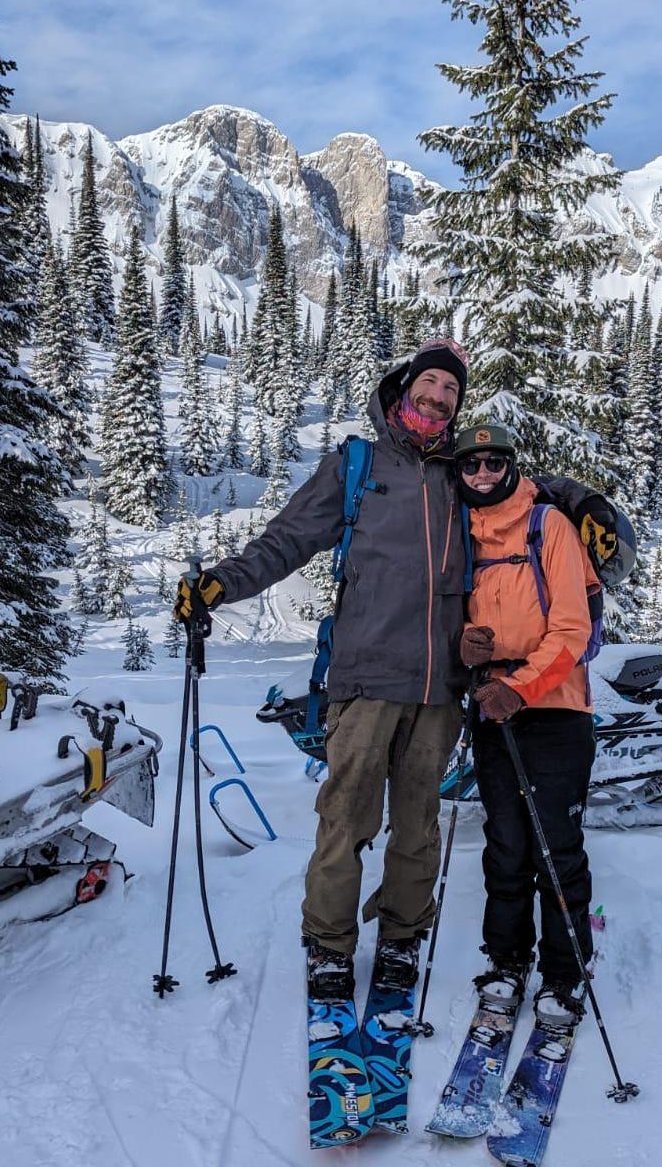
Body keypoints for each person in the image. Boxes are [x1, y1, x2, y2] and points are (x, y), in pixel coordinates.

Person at [173, 339, 472, 1001]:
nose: (439, 397)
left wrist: (585, 507)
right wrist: (221, 585)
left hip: (439, 688)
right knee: (346, 818)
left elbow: (526, 502)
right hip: (365, 677)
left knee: (419, 825)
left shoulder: (463, 476)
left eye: (451, 391)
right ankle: (331, 947)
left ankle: (401, 940)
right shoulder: (359, 465)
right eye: (430, 384)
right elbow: (287, 540)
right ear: (403, 390)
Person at [453, 422, 602, 1027]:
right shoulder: (461, 538)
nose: (484, 474)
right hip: (494, 706)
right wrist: (466, 647)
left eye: (495, 463)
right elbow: (457, 624)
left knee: (553, 845)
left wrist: (518, 687)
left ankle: (565, 970)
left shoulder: (550, 526)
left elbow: (573, 631)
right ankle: (507, 959)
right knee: (506, 842)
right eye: (472, 465)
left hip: (556, 709)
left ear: (512, 466)